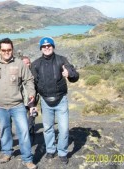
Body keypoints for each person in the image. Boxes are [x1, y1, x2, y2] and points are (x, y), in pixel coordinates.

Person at [0, 38, 37, 169]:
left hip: (17, 105)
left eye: (9, 50)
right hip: (0, 106)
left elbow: (29, 79)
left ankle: (27, 159)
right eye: (3, 50)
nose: (6, 52)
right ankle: (6, 152)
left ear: (12, 50)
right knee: (5, 130)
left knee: (23, 131)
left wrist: (31, 92)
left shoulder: (20, 63)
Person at [31, 37, 79, 165]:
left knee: (63, 129)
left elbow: (75, 76)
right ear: (41, 48)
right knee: (48, 128)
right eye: (44, 46)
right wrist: (33, 104)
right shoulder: (35, 64)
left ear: (53, 46)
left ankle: (62, 152)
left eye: (49, 45)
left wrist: (70, 74)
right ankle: (51, 150)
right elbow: (33, 86)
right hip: (45, 101)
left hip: (61, 100)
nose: (46, 48)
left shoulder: (62, 60)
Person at [21, 56, 38, 143]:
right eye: (25, 63)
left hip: (33, 101)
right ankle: (25, 137)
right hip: (21, 101)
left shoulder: (34, 73)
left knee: (32, 118)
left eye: (28, 63)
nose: (27, 65)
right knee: (23, 119)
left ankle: (31, 134)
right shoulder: (18, 74)